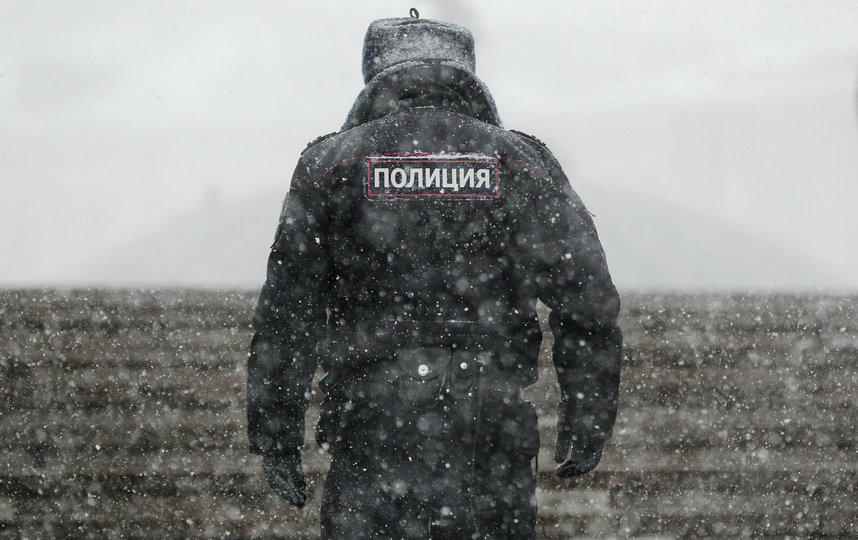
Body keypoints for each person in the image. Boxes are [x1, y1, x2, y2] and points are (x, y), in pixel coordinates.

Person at [247, 12, 622, 539]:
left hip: (371, 425)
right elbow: (587, 302)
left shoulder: (330, 163)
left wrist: (276, 431)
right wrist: (589, 413)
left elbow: (288, 313)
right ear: (468, 74)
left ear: (374, 74)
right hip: (489, 431)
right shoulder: (522, 161)